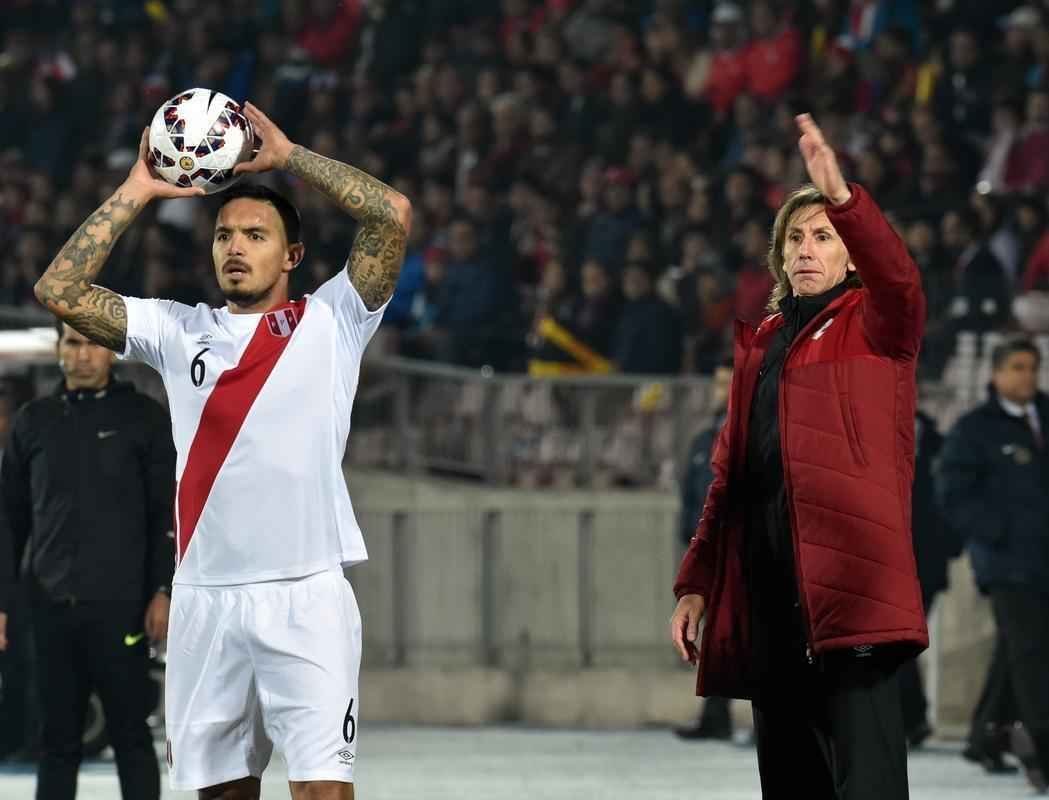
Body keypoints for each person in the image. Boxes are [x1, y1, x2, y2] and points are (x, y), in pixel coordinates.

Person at [32, 102, 412, 800]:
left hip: (306, 596)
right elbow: (58, 290)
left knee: (323, 791)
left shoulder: (333, 320)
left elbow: (390, 214)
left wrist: (291, 156)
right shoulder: (179, 331)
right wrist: (139, 188)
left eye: (255, 235)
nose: (234, 246)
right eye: (224, 234)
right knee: (222, 795)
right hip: (205, 599)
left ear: (291, 255)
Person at [670, 114, 927, 800]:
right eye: (795, 238)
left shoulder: (878, 327)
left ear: (849, 255)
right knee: (791, 787)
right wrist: (695, 580)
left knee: (867, 788)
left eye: (823, 237)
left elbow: (898, 279)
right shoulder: (761, 344)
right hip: (769, 600)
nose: (806, 249)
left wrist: (842, 197)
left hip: (852, 598)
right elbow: (727, 477)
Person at [0, 320, 176, 800]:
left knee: (130, 738)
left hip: (122, 610)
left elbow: (166, 511)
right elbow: (10, 522)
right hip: (50, 610)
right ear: (58, 348)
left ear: (112, 351)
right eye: (72, 343)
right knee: (56, 744)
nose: (82, 354)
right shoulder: (33, 422)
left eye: (93, 343)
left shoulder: (144, 418)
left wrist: (163, 589)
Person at [936, 338, 1049, 793]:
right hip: (1006, 564)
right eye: (1017, 368)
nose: (1026, 377)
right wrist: (997, 533)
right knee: (1032, 655)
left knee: (1016, 650)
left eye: (1032, 368)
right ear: (997, 374)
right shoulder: (974, 429)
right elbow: (954, 495)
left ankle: (985, 735)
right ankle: (1041, 749)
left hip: (1044, 560)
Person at [674, 361, 734, 741]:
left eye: (727, 384)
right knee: (718, 638)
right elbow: (691, 497)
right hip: (710, 555)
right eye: (718, 384)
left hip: (743, 552)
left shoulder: (751, 432)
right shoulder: (703, 439)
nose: (720, 392)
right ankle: (716, 714)